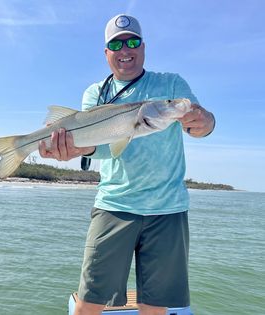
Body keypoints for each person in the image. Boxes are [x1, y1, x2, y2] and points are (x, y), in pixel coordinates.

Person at [39, 14, 215, 315]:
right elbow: (104, 150)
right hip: (114, 204)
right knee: (88, 302)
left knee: (155, 307)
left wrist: (203, 121)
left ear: (143, 47)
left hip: (167, 209)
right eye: (116, 44)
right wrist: (71, 149)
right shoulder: (96, 93)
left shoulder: (170, 83)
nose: (125, 50)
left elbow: (201, 126)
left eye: (132, 41)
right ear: (106, 53)